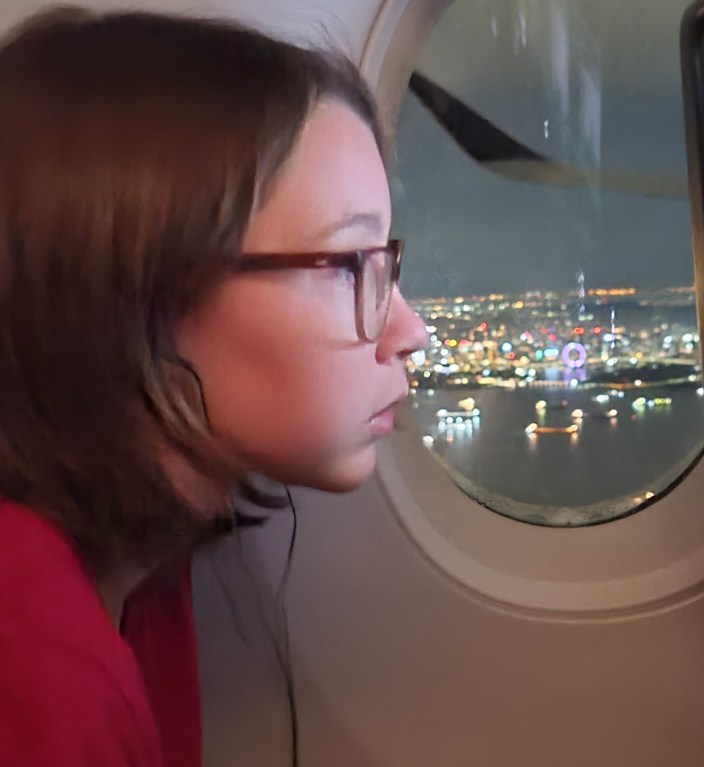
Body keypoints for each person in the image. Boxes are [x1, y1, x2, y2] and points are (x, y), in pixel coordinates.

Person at [0, 7, 427, 766]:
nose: (410, 330)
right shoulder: (41, 685)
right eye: (344, 265)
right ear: (136, 295)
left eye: (383, 263)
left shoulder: (150, 574)